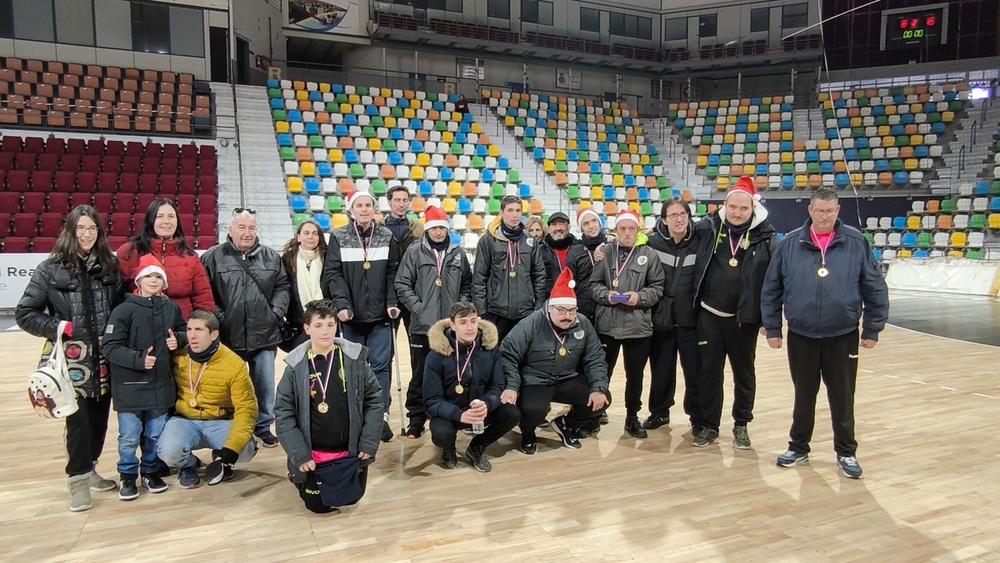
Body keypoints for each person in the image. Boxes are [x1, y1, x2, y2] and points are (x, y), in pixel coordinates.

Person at [761, 188, 889, 479]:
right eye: (819, 211)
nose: (824, 216)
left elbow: (875, 287)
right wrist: (772, 327)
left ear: (838, 210)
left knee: (843, 396)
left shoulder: (856, 242)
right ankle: (799, 447)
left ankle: (846, 452)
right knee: (803, 394)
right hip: (801, 334)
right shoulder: (790, 243)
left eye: (830, 211)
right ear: (810, 210)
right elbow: (772, 288)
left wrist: (872, 327)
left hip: (842, 334)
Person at [16, 205, 127, 512]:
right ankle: (77, 480)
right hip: (70, 359)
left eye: (93, 229)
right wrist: (56, 326)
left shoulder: (110, 265)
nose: (87, 234)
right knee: (77, 422)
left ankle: (90, 468)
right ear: (70, 231)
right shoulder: (50, 268)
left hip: (104, 357)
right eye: (81, 229)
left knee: (99, 418)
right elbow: (25, 313)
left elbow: (121, 306)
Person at [691, 177, 778, 449]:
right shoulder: (708, 227)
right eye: (733, 207)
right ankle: (708, 425)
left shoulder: (767, 237)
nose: (737, 213)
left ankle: (742, 424)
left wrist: (769, 319)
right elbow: (674, 233)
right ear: (724, 205)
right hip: (709, 315)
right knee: (709, 374)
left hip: (744, 321)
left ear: (753, 208)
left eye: (744, 208)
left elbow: (776, 281)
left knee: (744, 374)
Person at [275, 299, 383, 513]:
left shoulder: (355, 361)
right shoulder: (295, 368)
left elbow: (375, 400)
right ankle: (299, 476)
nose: (325, 331)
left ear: (337, 326)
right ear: (307, 329)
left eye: (330, 325)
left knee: (353, 499)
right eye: (318, 325)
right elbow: (283, 413)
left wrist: (369, 443)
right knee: (318, 507)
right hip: (313, 455)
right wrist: (300, 455)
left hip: (349, 451)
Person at [201, 208, 291, 448]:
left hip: (265, 333)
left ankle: (263, 426)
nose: (247, 233)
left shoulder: (271, 257)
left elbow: (283, 287)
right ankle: (235, 427)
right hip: (229, 335)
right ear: (230, 230)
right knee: (233, 386)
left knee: (264, 383)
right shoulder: (213, 257)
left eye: (251, 228)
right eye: (241, 227)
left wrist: (275, 313)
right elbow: (205, 292)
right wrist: (219, 317)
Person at [102, 255, 188, 501]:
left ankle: (150, 471)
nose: (153, 280)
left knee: (155, 433)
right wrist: (138, 359)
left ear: (164, 282)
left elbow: (182, 330)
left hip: (161, 386)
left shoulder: (171, 308)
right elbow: (110, 346)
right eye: (148, 276)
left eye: (158, 276)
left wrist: (178, 339)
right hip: (130, 387)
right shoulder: (124, 310)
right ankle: (127, 476)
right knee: (129, 435)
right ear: (139, 280)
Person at [500, 269, 610, 454]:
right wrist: (512, 385)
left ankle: (566, 424)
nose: (567, 315)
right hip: (535, 380)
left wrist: (598, 388)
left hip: (567, 379)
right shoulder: (531, 323)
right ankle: (528, 432)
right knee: (533, 409)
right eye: (562, 310)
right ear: (550, 307)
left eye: (572, 310)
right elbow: (507, 355)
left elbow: (595, 357)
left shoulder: (583, 323)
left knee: (602, 399)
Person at [323, 191, 400, 442]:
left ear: (374, 209)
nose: (364, 209)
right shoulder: (339, 236)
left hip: (380, 317)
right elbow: (333, 274)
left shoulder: (387, 235)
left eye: (368, 205)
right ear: (351, 209)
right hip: (351, 318)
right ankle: (356, 416)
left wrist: (391, 302)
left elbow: (392, 273)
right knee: (353, 369)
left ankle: (381, 416)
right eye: (359, 205)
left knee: (380, 367)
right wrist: (342, 305)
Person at [156, 310, 259, 489]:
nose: (192, 336)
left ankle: (222, 460)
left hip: (220, 421)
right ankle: (187, 465)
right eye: (189, 329)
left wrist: (231, 449)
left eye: (199, 330)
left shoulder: (235, 365)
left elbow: (247, 409)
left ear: (214, 334)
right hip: (185, 420)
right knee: (168, 452)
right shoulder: (178, 356)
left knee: (244, 450)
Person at [394, 206, 472, 438]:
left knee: (454, 372)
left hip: (451, 327)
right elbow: (402, 284)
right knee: (420, 374)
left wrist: (461, 308)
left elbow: (467, 283)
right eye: (434, 228)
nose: (438, 232)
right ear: (427, 229)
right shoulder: (415, 251)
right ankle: (416, 419)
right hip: (422, 326)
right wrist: (419, 309)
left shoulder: (458, 253)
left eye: (442, 227)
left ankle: (450, 414)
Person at [590, 210, 664, 439]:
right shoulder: (607, 252)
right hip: (607, 325)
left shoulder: (649, 255)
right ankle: (595, 414)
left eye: (631, 228)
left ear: (638, 230)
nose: (627, 233)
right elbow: (594, 285)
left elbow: (658, 287)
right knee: (603, 372)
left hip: (637, 326)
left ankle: (632, 416)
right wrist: (606, 295)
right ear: (616, 231)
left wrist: (639, 297)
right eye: (622, 229)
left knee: (636, 376)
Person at [424, 301, 520, 472]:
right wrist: (459, 415)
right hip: (451, 412)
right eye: (463, 322)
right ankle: (448, 448)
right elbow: (432, 400)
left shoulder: (490, 348)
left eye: (473, 321)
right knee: (441, 434)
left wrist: (487, 403)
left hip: (478, 409)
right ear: (452, 325)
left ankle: (477, 447)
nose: (470, 327)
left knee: (512, 414)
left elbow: (498, 386)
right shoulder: (436, 355)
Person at [643, 199, 704, 432]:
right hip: (662, 320)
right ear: (664, 220)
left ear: (689, 216)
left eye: (683, 214)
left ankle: (697, 417)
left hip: (692, 320)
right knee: (661, 371)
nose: (679, 219)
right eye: (673, 215)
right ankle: (659, 413)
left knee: (695, 372)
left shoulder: (701, 241)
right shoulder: (651, 242)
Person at [117, 198, 215, 320]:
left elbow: (203, 299)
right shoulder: (129, 252)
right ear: (151, 220)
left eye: (171, 216)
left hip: (180, 328)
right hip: (140, 324)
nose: (166, 221)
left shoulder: (191, 258)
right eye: (160, 216)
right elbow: (118, 295)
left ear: (177, 221)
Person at [473, 195, 547, 342]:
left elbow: (539, 275)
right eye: (510, 210)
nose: (515, 215)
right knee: (496, 356)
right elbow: (479, 278)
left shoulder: (529, 240)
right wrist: (482, 311)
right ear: (501, 213)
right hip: (496, 312)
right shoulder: (488, 240)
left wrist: (538, 306)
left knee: (523, 358)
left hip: (525, 312)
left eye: (518, 210)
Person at [281, 220, 329, 351]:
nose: (310, 237)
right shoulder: (287, 260)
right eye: (306, 233)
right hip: (299, 325)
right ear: (298, 237)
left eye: (315, 233)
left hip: (326, 323)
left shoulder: (329, 258)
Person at [565, 207, 609, 325]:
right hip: (584, 308)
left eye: (594, 221)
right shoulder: (575, 251)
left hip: (608, 307)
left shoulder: (612, 245)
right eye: (586, 223)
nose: (591, 226)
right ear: (581, 229)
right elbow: (569, 281)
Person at [539, 212, 578, 295]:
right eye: (554, 224)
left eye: (562, 224)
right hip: (550, 300)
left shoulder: (579, 248)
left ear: (569, 227)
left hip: (577, 299)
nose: (558, 228)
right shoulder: (540, 252)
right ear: (548, 228)